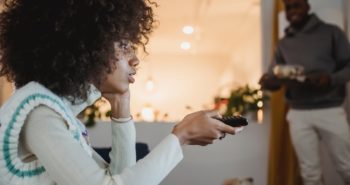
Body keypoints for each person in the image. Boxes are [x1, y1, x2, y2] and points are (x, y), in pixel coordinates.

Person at [0, 0, 241, 185]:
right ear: (89, 48)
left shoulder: (58, 114)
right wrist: (181, 137)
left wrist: (121, 105)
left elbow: (119, 177)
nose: (135, 59)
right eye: (124, 46)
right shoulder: (40, 114)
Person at [259, 0, 350, 184]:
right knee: (310, 173)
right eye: (288, 7)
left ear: (307, 6)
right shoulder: (283, 43)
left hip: (330, 109)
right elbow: (275, 78)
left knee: (346, 166)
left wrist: (330, 79)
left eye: (297, 5)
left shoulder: (331, 32)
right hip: (298, 113)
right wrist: (268, 82)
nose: (292, 11)